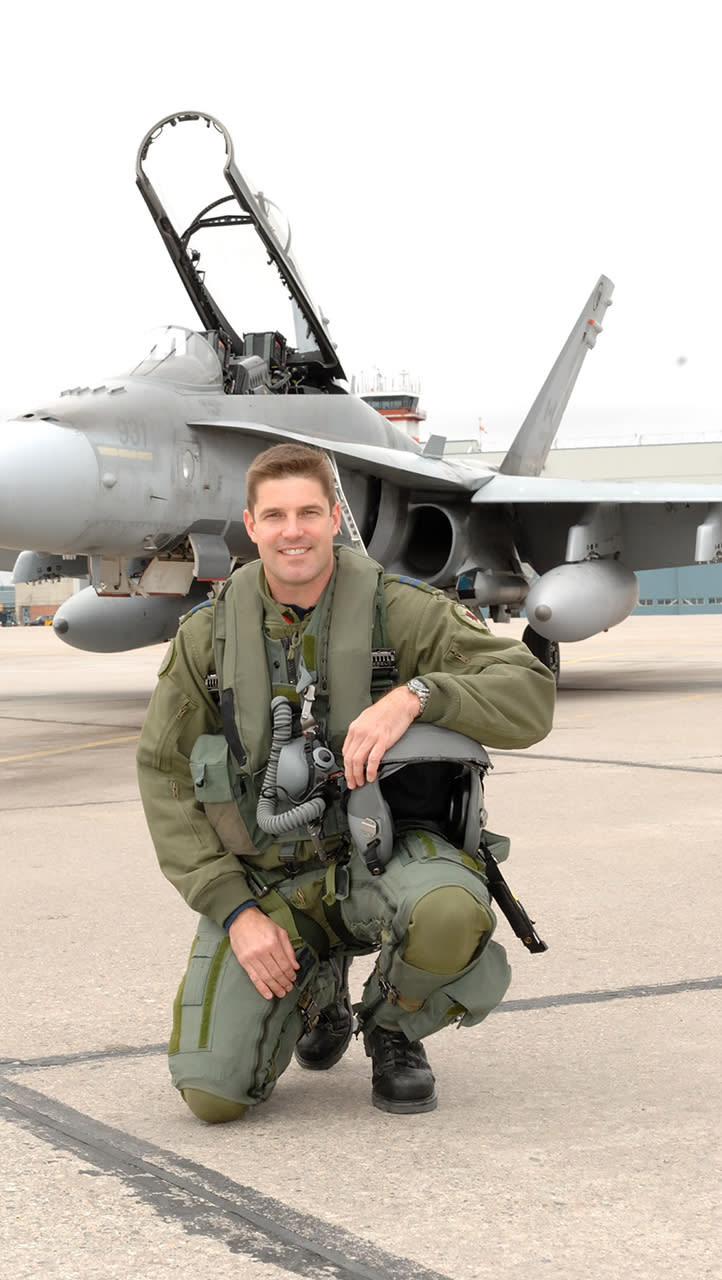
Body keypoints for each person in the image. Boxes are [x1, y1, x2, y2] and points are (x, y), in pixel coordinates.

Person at [137, 443, 555, 1123]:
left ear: (335, 518)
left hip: (382, 861)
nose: (292, 530)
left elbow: (530, 696)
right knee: (212, 1096)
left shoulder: (400, 613)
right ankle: (317, 988)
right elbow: (163, 776)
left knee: (448, 910)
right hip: (270, 887)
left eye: (308, 512)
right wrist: (235, 911)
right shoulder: (207, 638)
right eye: (275, 515)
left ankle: (393, 1024)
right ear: (251, 523)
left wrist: (418, 695)